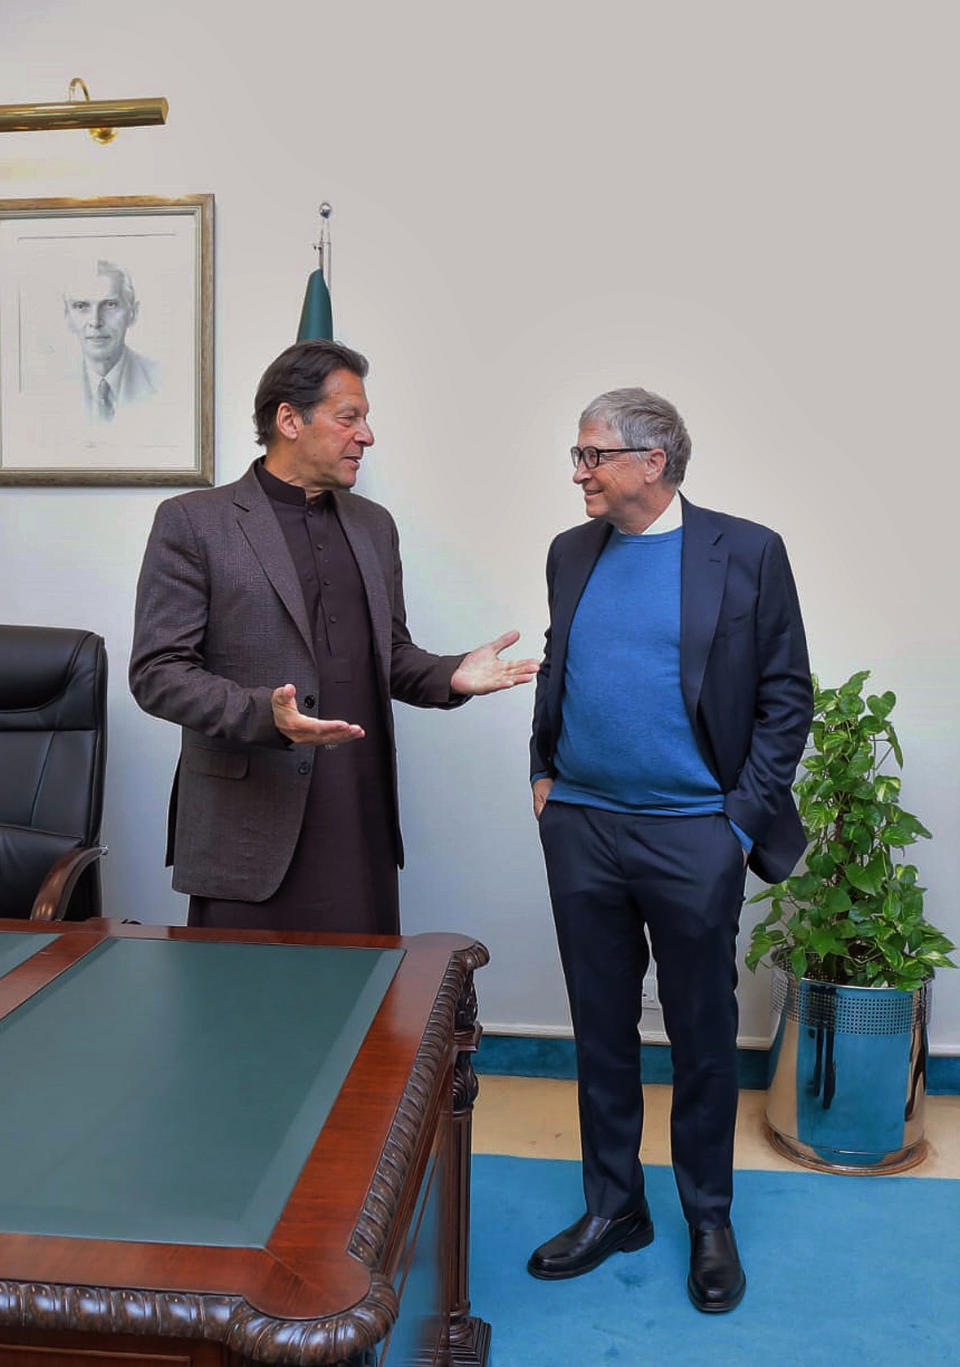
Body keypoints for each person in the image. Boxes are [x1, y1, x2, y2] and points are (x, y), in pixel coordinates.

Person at [527, 387, 812, 1312]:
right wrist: (545, 775)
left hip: (696, 832)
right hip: (584, 825)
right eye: (577, 456)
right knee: (600, 1027)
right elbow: (561, 656)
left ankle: (709, 1217)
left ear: (653, 461)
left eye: (591, 454)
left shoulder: (747, 550)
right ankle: (615, 1207)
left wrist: (734, 824)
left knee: (700, 1033)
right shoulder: (571, 552)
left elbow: (784, 697)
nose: (579, 472)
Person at [130, 339, 537, 934]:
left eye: (366, 419)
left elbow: (389, 655)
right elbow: (158, 672)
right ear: (289, 420)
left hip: (358, 814)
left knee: (364, 1009)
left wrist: (452, 673)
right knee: (238, 1015)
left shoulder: (374, 526)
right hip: (247, 826)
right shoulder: (193, 521)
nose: (366, 436)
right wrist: (263, 713)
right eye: (350, 418)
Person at [63, 260, 159, 421]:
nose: (95, 321)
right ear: (68, 317)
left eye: (110, 305)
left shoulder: (163, 382)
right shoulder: (45, 391)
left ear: (132, 314)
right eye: (81, 306)